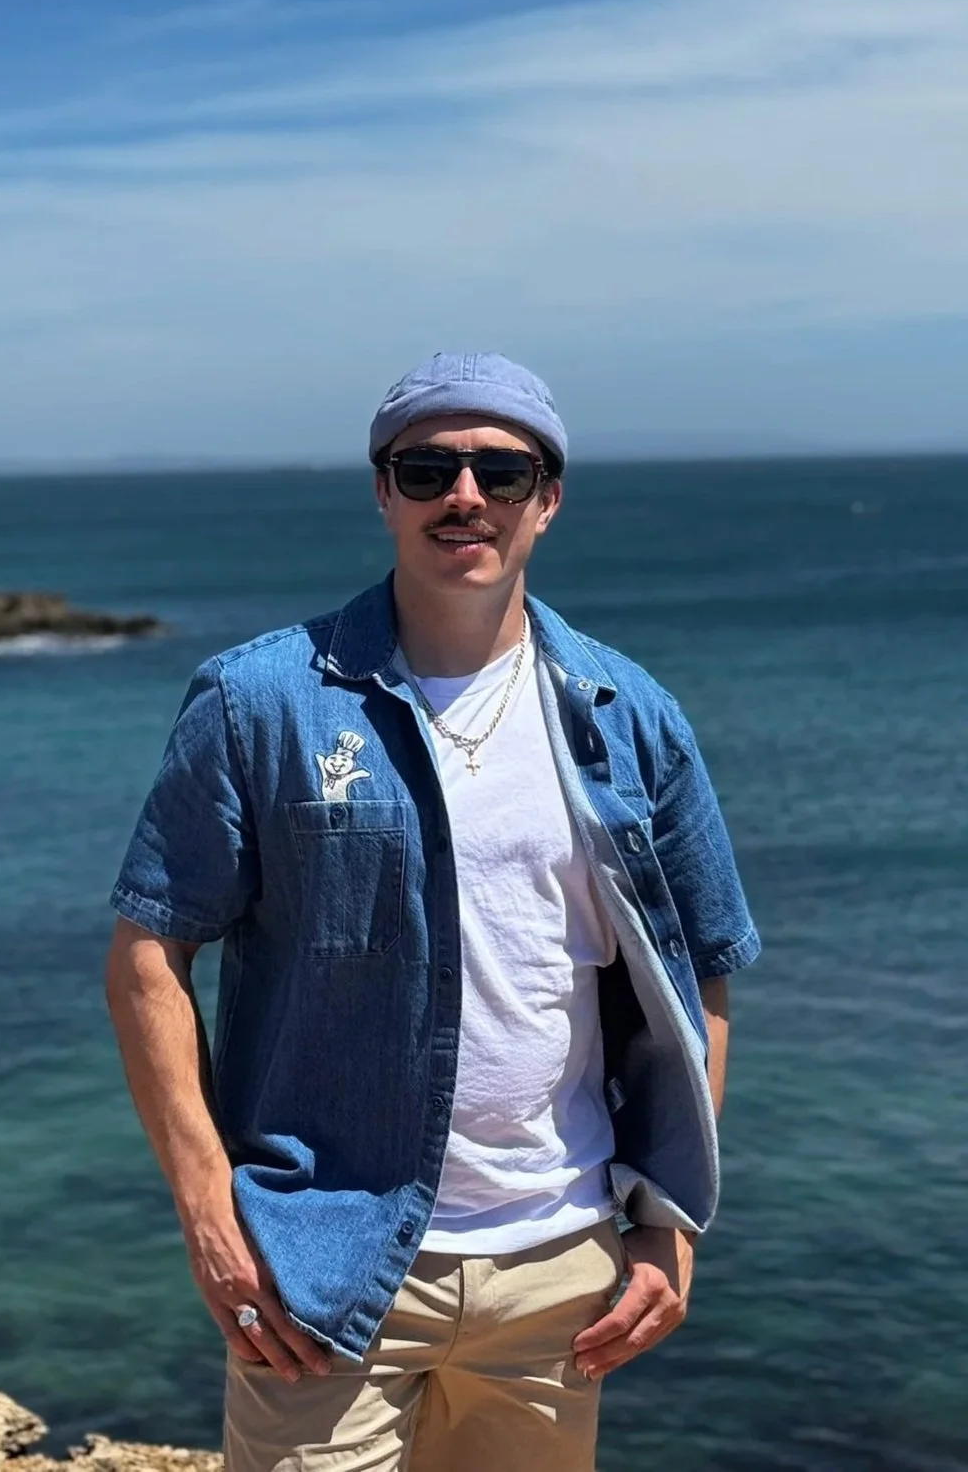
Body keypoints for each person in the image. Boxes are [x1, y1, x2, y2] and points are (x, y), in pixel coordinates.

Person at [105, 352, 760, 1471]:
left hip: (559, 1269)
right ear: (384, 491)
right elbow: (147, 953)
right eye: (428, 467)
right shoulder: (260, 700)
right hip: (319, 1259)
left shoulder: (629, 711)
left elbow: (698, 966)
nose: (465, 495)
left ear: (546, 501)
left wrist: (670, 1216)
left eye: (502, 473)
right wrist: (210, 1210)